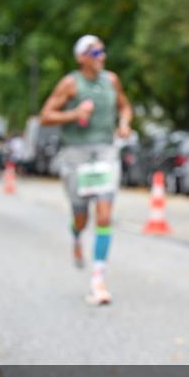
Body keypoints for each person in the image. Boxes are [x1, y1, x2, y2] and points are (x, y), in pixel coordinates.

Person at [40, 34, 133, 305]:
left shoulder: (111, 80)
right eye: (95, 53)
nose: (101, 56)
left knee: (104, 215)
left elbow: (125, 107)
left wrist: (124, 123)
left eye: (102, 51)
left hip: (105, 152)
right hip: (76, 154)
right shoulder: (70, 83)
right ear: (81, 58)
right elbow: (45, 116)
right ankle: (76, 233)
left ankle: (98, 280)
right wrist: (74, 114)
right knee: (81, 217)